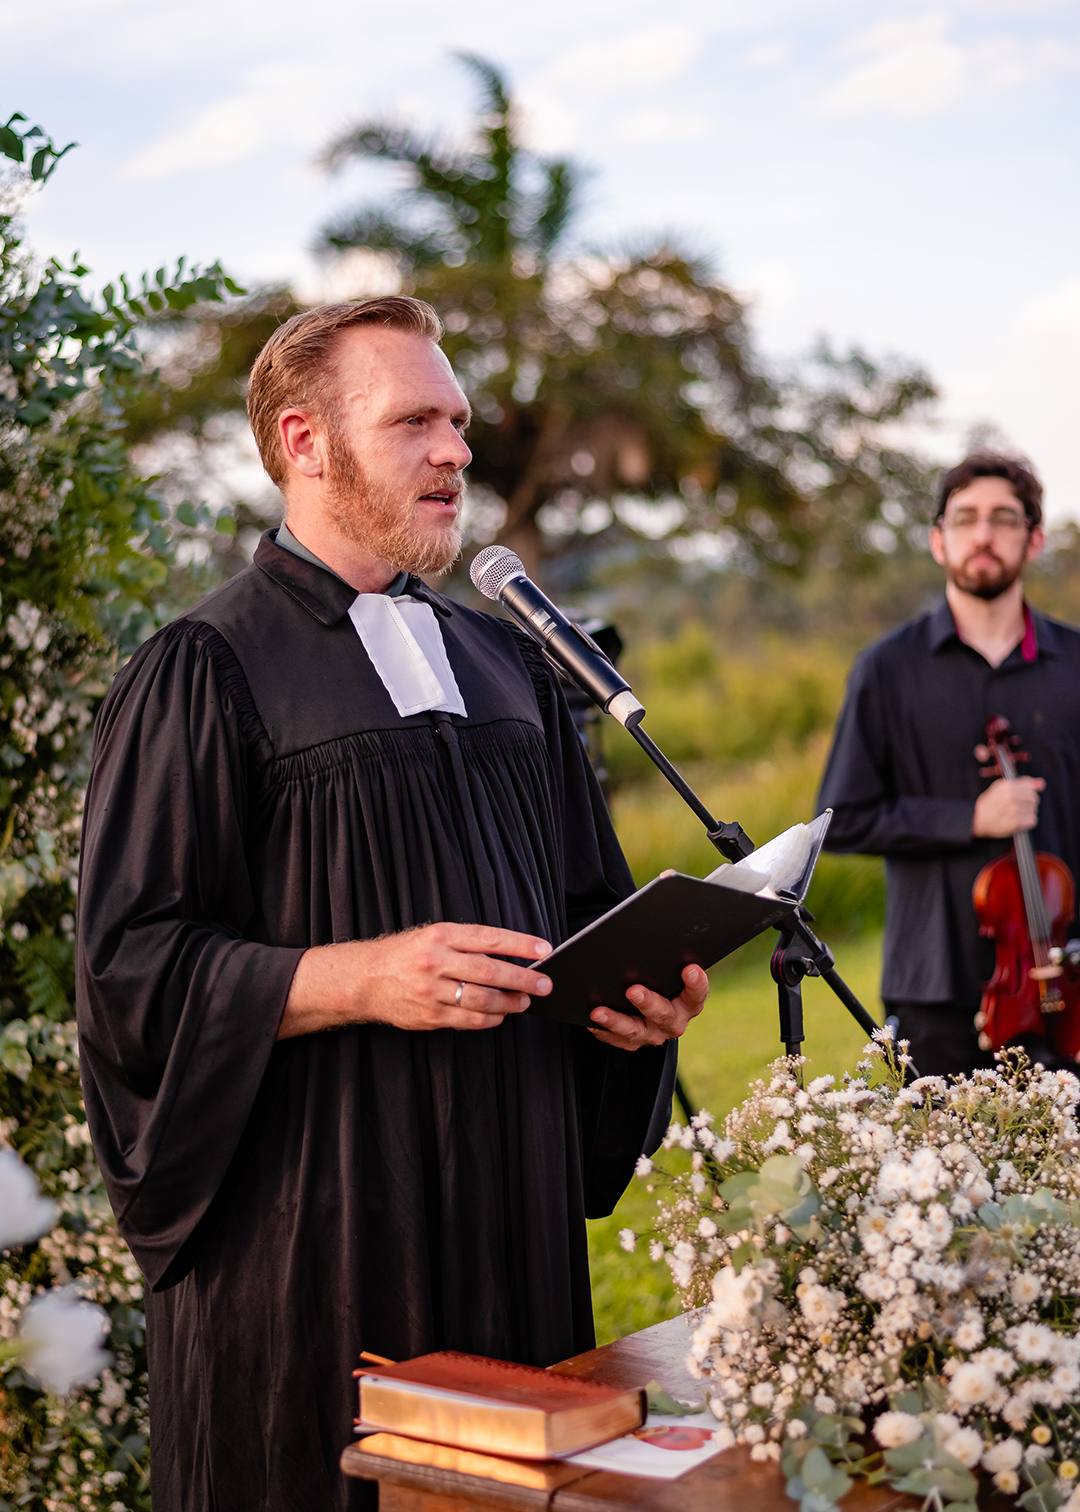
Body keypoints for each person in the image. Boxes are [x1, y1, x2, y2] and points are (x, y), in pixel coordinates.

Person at [75, 297, 705, 1512]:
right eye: (416, 420)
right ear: (305, 441)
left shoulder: (509, 662)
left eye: (458, 422)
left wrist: (633, 1004)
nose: (456, 450)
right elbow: (128, 969)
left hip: (511, 1213)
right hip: (314, 1239)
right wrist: (358, 977)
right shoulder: (204, 670)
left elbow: (582, 909)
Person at [817, 451, 1080, 1077]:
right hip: (932, 985)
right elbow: (843, 819)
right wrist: (968, 818)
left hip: (1062, 981)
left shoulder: (1076, 664)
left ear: (1034, 539)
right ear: (939, 542)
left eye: (1004, 519)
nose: (983, 534)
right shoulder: (885, 669)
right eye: (965, 519)